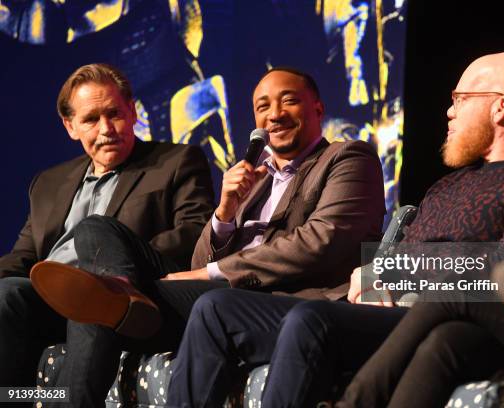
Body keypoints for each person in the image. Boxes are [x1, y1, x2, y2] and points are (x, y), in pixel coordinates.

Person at [166, 52, 504, 408]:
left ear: (499, 106)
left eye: (460, 99)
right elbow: (387, 260)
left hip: (449, 317)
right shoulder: (449, 184)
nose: (449, 110)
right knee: (216, 308)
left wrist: (392, 269)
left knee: (312, 318)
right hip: (387, 311)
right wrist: (373, 272)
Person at [31, 66, 386, 407]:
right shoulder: (254, 179)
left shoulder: (347, 156)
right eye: (263, 107)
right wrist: (225, 212)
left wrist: (215, 273)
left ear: (318, 107)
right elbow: (201, 263)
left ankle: (116, 297)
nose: (274, 114)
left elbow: (322, 240)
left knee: (106, 295)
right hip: (223, 294)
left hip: (284, 300)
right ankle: (120, 288)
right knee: (97, 242)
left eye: (288, 101)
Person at [0, 63, 215, 390]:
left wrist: (114, 259)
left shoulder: (177, 161)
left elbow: (194, 230)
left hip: (125, 295)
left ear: (132, 111)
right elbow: (24, 256)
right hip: (51, 297)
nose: (106, 128)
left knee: (95, 245)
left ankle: (105, 292)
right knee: (7, 293)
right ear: (70, 126)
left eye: (114, 113)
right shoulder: (48, 183)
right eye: (90, 119)